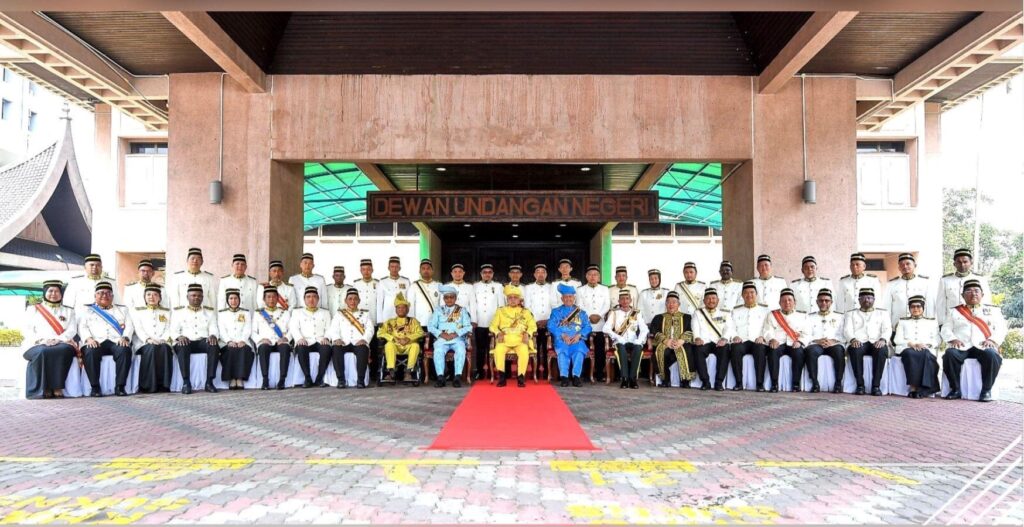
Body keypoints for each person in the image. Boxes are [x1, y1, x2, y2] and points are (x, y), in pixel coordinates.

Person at [940, 279, 1006, 402]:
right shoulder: (954, 311)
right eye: (969, 291)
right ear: (963, 295)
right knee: (949, 355)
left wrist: (992, 340)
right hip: (962, 345)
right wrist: (953, 339)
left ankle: (986, 390)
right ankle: (955, 389)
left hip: (982, 345)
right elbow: (946, 328)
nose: (973, 294)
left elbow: (1002, 328)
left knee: (991, 355)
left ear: (982, 294)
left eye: (976, 291)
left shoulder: (993, 310)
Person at [22, 280, 78, 399]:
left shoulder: (69, 310)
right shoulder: (33, 309)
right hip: (37, 343)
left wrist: (58, 339)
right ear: (44, 293)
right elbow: (27, 329)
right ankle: (45, 387)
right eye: (50, 291)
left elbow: (72, 330)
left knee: (64, 350)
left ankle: (57, 386)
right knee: (43, 351)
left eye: (57, 291)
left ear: (61, 293)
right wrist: (42, 340)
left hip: (62, 342)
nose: (53, 294)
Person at [78, 281, 134, 397]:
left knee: (124, 350)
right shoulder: (87, 310)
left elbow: (129, 326)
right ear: (95, 296)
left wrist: (125, 338)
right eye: (101, 293)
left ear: (112, 296)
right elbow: (82, 326)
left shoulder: (123, 310)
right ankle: (95, 387)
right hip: (96, 341)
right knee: (90, 351)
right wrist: (89, 339)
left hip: (116, 341)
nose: (105, 295)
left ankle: (120, 386)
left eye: (108, 293)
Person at [842, 287, 891, 396]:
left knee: (882, 350)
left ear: (874, 299)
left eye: (869, 298)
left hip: (876, 341)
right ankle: (860, 385)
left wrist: (883, 339)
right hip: (859, 341)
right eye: (863, 298)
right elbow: (847, 329)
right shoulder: (851, 314)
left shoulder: (882, 313)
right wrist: (853, 339)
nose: (866, 300)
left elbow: (887, 329)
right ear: (859, 300)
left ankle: (876, 386)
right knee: (855, 349)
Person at [170, 283, 219, 394]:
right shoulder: (178, 312)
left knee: (214, 345)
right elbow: (173, 330)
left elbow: (214, 328)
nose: (196, 298)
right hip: (186, 341)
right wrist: (179, 337)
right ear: (187, 297)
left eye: (199, 296)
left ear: (202, 297)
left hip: (202, 341)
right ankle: (186, 382)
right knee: (183, 346)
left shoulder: (209, 312)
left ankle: (209, 382)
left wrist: (213, 335)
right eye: (193, 295)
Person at [761, 288, 810, 393]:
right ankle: (774, 383)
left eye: (789, 300)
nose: (787, 302)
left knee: (799, 353)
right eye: (783, 300)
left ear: (794, 302)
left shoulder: (802, 316)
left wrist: (800, 342)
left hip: (794, 343)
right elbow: (767, 330)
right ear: (779, 302)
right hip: (779, 342)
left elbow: (807, 332)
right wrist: (772, 339)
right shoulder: (772, 315)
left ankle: (796, 384)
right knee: (772, 352)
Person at [489, 284, 538, 388]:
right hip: (504, 339)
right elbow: (492, 326)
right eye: (510, 298)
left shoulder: (525, 312)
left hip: (520, 339)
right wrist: (498, 333)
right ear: (507, 299)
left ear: (520, 299)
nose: (512, 300)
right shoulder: (501, 311)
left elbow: (533, 326)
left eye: (515, 297)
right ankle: (502, 378)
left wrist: (527, 333)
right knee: (498, 351)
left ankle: (521, 378)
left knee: (524, 352)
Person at [894, 295, 940, 399]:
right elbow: (897, 339)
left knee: (925, 354)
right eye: (913, 307)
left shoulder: (932, 322)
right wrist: (910, 344)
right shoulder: (902, 321)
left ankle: (922, 389)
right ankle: (914, 387)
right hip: (907, 348)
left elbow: (937, 339)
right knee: (911, 353)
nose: (915, 309)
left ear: (923, 308)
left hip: (925, 348)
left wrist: (925, 344)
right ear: (909, 308)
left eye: (918, 306)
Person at [130, 284, 174, 393]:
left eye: (155, 295)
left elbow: (169, 327)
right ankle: (148, 386)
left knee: (165, 349)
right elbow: (138, 329)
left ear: (160, 297)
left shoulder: (166, 312)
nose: (151, 297)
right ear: (144, 297)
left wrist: (163, 339)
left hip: (162, 341)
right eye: (148, 294)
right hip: (143, 342)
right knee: (152, 348)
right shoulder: (138, 311)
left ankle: (164, 385)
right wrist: (148, 339)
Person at [328, 288, 375, 389]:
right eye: (350, 299)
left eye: (355, 299)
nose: (352, 301)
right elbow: (333, 328)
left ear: (359, 301)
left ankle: (360, 380)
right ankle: (341, 380)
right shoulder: (339, 314)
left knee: (363, 349)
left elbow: (370, 329)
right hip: (343, 342)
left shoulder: (365, 314)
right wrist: (336, 339)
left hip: (358, 342)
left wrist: (365, 339)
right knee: (336, 348)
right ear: (346, 301)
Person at [548, 283, 592, 387]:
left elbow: (588, 326)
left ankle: (576, 376)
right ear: (562, 298)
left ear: (574, 298)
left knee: (579, 351)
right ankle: (564, 377)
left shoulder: (581, 313)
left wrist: (579, 335)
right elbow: (551, 325)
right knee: (563, 351)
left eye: (570, 297)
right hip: (562, 339)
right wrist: (562, 335)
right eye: (566, 297)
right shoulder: (556, 312)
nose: (568, 299)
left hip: (576, 339)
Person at [427, 285, 473, 387]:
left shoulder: (462, 310)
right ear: (443, 299)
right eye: (446, 297)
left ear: (455, 298)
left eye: (451, 297)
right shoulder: (438, 310)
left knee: (461, 350)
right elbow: (430, 326)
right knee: (438, 351)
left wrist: (455, 334)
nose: (449, 299)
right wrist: (441, 334)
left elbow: (468, 327)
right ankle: (440, 377)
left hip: (457, 338)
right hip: (442, 339)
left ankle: (457, 377)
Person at [690, 288, 734, 391]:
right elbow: (694, 326)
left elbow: (729, 327)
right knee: (697, 350)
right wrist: (697, 338)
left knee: (725, 350)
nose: (711, 301)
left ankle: (719, 382)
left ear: (718, 300)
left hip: (718, 341)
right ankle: (705, 382)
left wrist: (724, 339)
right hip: (704, 341)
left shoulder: (725, 313)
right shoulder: (698, 313)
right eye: (708, 298)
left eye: (713, 298)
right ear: (704, 301)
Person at [729, 281, 769, 392]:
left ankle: (760, 384)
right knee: (735, 349)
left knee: (760, 349)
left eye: (752, 292)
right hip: (742, 341)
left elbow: (768, 326)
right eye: (746, 293)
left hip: (757, 341)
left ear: (756, 294)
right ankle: (738, 382)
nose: (749, 295)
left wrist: (762, 337)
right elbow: (730, 326)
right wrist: (735, 336)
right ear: (742, 295)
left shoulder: (765, 310)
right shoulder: (735, 310)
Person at [289, 286, 332, 388]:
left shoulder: (325, 312)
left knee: (326, 349)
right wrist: (299, 338)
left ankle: (319, 378)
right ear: (304, 299)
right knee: (301, 348)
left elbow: (330, 329)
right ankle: (307, 378)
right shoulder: (297, 312)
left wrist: (326, 338)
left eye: (314, 297)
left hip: (320, 340)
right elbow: (294, 327)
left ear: (318, 299)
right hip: (305, 340)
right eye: (308, 297)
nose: (311, 299)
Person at [604, 289, 648, 389]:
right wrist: (617, 337)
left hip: (633, 340)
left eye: (627, 299)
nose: (625, 301)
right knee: (621, 349)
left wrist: (639, 340)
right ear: (619, 301)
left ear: (630, 300)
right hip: (620, 341)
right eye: (622, 299)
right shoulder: (614, 313)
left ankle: (633, 379)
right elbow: (605, 328)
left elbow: (644, 329)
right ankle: (624, 378)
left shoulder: (636, 313)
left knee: (638, 348)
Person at [804, 288, 845, 393]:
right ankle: (815, 383)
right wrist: (817, 341)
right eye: (821, 300)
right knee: (811, 352)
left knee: (839, 351)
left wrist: (833, 341)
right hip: (816, 344)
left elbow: (843, 334)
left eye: (827, 301)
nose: (823, 303)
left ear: (831, 302)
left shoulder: (840, 317)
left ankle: (838, 383)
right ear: (816, 302)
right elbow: (806, 333)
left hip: (834, 344)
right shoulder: (809, 317)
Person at [936, 248, 991, 326]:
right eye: (959, 262)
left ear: (971, 263)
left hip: (975, 321)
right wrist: (941, 323)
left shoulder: (980, 279)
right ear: (954, 264)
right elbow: (941, 305)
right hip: (953, 322)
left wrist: (987, 320)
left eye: (965, 262)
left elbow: (986, 301)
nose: (962, 265)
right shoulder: (945, 280)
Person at [378, 293, 424, 385]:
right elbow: (380, 333)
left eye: (403, 308)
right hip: (395, 345)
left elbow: (420, 332)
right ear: (395, 310)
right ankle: (391, 372)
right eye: (399, 308)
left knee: (415, 345)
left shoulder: (413, 321)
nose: (401, 310)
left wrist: (408, 338)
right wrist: (393, 339)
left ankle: (408, 372)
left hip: (409, 345)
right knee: (389, 345)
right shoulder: (389, 322)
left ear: (407, 309)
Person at [649, 291, 693, 388]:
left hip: (681, 343)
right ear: (665, 304)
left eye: (674, 302)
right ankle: (665, 379)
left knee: (687, 350)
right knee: (661, 351)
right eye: (668, 302)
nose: (671, 304)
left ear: (679, 304)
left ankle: (685, 380)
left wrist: (681, 340)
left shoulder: (687, 317)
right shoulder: (658, 317)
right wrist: (665, 340)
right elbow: (654, 330)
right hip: (665, 343)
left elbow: (690, 331)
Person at [252, 286, 291, 390]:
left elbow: (291, 329)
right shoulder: (258, 313)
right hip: (266, 341)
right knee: (263, 348)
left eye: (274, 297)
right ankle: (265, 380)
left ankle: (282, 380)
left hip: (281, 341)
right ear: (264, 299)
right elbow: (253, 331)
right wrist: (261, 339)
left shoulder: (285, 312)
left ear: (277, 298)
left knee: (285, 348)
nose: (271, 299)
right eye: (268, 297)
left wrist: (286, 338)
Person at [577, 265, 610, 380]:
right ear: (586, 276)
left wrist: (599, 315)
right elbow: (579, 305)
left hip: (600, 324)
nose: (592, 277)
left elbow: (607, 305)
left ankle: (600, 373)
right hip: (586, 324)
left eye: (595, 275)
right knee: (585, 348)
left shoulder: (605, 289)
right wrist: (589, 315)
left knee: (600, 350)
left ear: (599, 277)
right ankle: (586, 373)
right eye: (590, 274)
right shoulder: (580, 290)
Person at [218, 288, 254, 390]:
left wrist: (243, 340)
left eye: (236, 298)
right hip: (227, 342)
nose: (233, 301)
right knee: (231, 350)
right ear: (227, 300)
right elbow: (221, 330)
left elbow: (248, 328)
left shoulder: (245, 313)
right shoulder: (222, 313)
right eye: (231, 298)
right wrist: (229, 341)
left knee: (244, 350)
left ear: (239, 300)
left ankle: (240, 378)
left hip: (243, 341)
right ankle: (232, 378)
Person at [472, 264, 504, 379]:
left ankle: (494, 371)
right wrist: (474, 320)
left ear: (492, 274)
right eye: (484, 272)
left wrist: (500, 322)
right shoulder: (475, 286)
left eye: (489, 272)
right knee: (480, 348)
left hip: (494, 323)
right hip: (480, 322)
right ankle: (480, 371)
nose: (487, 274)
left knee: (495, 348)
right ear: (481, 274)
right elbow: (473, 304)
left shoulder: (498, 286)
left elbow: (501, 306)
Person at [885, 253, 933, 327]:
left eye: (908, 264)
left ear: (915, 265)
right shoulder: (891, 284)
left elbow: (930, 305)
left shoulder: (925, 282)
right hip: (897, 325)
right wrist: (887, 326)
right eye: (902, 264)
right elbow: (887, 307)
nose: (905, 266)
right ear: (899, 268)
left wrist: (929, 323)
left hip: (920, 325)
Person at [524, 264, 552, 369]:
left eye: (543, 272)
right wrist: (534, 321)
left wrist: (547, 320)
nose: (540, 274)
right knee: (533, 347)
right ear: (534, 275)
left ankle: (546, 371)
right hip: (533, 323)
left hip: (548, 322)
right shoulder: (528, 287)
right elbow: (527, 307)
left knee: (547, 347)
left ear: (546, 274)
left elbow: (554, 305)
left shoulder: (551, 287)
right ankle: (533, 370)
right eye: (538, 272)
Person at [377, 256, 411, 325]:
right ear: (388, 268)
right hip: (387, 316)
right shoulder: (383, 281)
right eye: (392, 267)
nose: (394, 269)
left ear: (400, 268)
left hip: (402, 315)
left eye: (396, 267)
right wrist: (379, 320)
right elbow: (379, 302)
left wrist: (409, 317)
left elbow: (409, 301)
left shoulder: (406, 281)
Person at [408, 259, 440, 331]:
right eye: (423, 268)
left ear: (432, 271)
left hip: (435, 323)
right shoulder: (414, 286)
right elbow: (411, 306)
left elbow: (442, 305)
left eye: (428, 268)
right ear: (419, 271)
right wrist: (411, 323)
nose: (426, 271)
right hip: (420, 322)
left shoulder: (438, 285)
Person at [352, 259, 379, 326]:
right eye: (363, 269)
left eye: (368, 269)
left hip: (374, 318)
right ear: (360, 271)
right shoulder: (356, 284)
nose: (366, 272)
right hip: (359, 319)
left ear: (372, 270)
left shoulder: (378, 283)